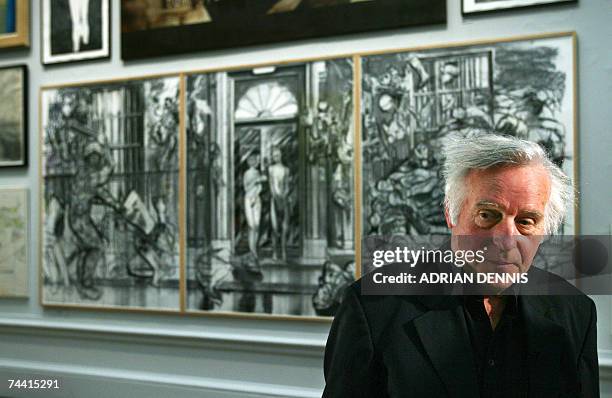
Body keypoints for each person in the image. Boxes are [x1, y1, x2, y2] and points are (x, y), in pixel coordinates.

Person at [323, 132, 599, 397]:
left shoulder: (575, 312)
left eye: (526, 221)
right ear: (451, 215)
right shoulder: (373, 307)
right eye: (487, 215)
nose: (506, 239)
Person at [268, 147, 290, 261]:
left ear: (281, 154)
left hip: (284, 199)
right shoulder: (271, 169)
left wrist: (284, 195)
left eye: (277, 154)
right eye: (274, 155)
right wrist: (276, 196)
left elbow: (287, 185)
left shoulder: (286, 170)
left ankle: (284, 251)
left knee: (284, 228)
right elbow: (271, 185)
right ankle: (275, 252)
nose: (275, 157)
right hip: (274, 200)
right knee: (275, 228)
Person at [243, 151, 266, 259]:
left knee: (256, 226)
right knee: (251, 226)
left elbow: (260, 188)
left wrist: (256, 194)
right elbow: (246, 188)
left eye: (256, 160)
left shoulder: (258, 173)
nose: (256, 162)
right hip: (248, 199)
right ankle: (251, 250)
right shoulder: (247, 174)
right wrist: (255, 181)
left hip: (256, 200)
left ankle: (254, 250)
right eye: (254, 160)